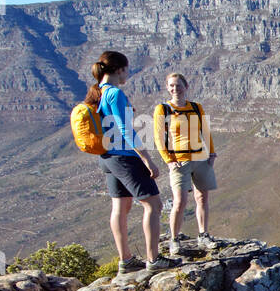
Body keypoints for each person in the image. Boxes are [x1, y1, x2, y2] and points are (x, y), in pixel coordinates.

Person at [84, 51, 179, 273]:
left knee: (121, 205)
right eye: (127, 69)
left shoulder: (100, 92)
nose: (129, 73)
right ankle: (154, 260)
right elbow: (127, 130)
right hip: (124, 157)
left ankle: (125, 261)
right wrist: (147, 159)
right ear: (119, 70)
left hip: (107, 158)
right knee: (153, 205)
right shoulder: (115, 93)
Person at [154, 73, 219, 255]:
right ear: (167, 88)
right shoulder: (163, 109)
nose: (175, 89)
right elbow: (158, 138)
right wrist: (168, 160)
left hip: (200, 158)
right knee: (180, 201)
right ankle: (174, 239)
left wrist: (211, 153)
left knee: (202, 198)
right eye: (171, 86)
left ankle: (203, 235)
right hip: (179, 161)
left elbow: (205, 132)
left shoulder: (197, 108)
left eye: (178, 85)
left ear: (186, 86)